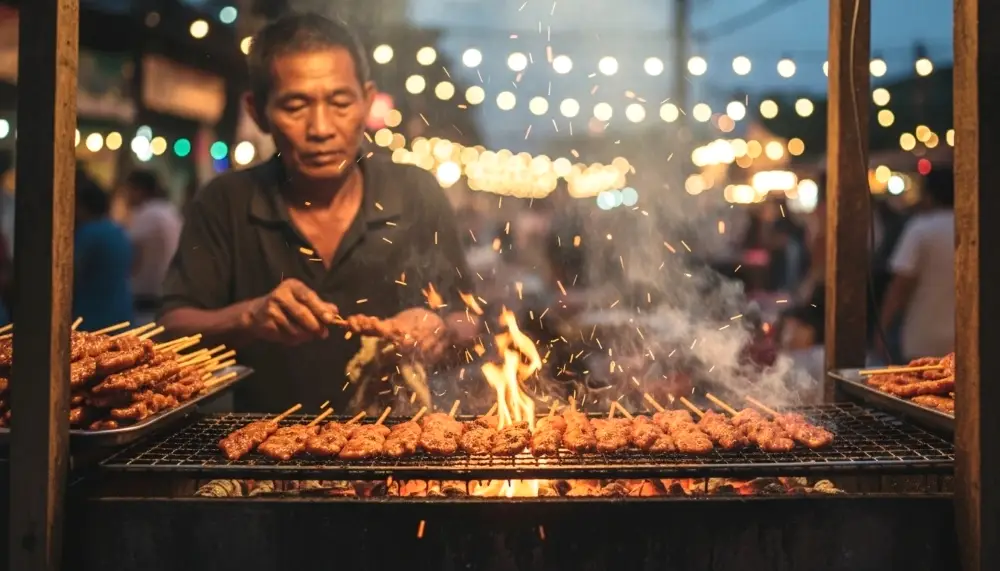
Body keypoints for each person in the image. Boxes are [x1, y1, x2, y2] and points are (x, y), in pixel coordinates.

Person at [158, 13, 475, 413]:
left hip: (397, 450)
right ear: (258, 112)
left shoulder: (416, 193)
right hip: (265, 454)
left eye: (340, 102)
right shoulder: (226, 201)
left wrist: (440, 329)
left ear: (366, 100)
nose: (321, 127)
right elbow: (171, 330)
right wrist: (249, 317)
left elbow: (471, 321)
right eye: (295, 106)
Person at [879, 168, 955, 361]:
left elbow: (899, 286)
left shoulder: (920, 228)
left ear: (928, 196)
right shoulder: (974, 227)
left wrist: (882, 328)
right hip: (964, 336)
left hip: (923, 336)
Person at [74, 171, 134, 330]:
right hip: (121, 313)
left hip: (93, 319)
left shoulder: (88, 233)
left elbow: (70, 275)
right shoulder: (117, 230)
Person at [122, 169, 183, 324]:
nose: (125, 197)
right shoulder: (170, 210)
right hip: (168, 297)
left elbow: (132, 255)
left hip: (147, 302)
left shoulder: (147, 214)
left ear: (139, 190)